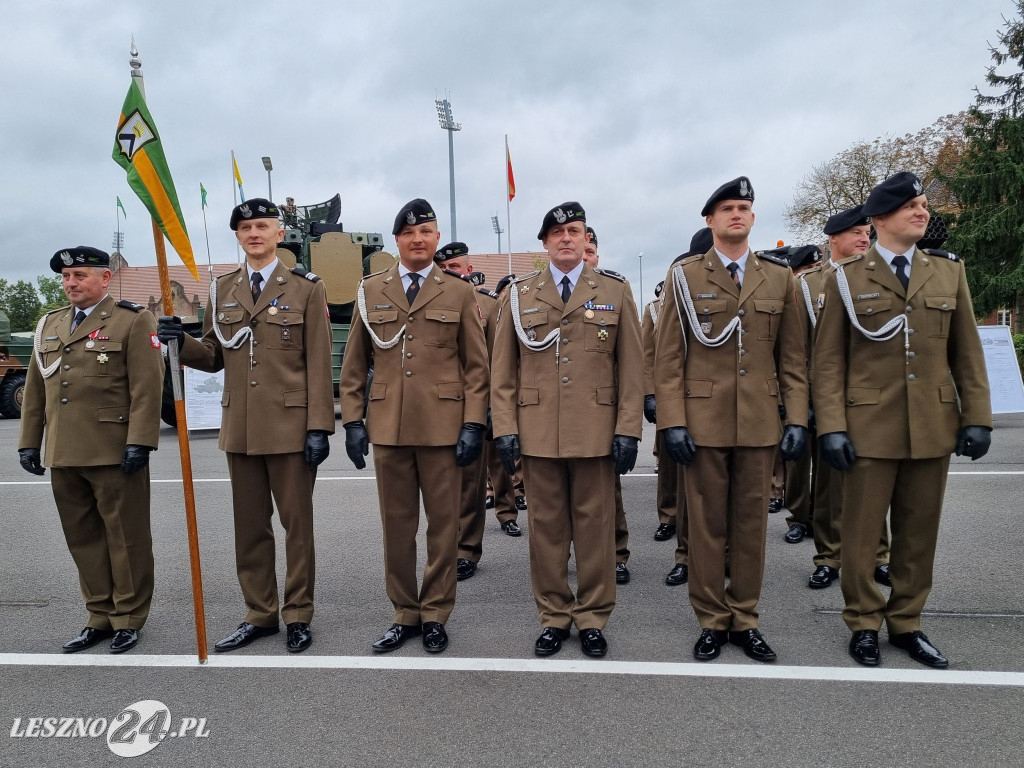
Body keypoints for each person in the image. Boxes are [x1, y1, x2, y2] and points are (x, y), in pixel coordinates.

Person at [813, 172, 992, 668]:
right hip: (868, 427)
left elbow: (967, 354)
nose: (922, 212)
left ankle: (908, 622)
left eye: (923, 204)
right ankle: (864, 622)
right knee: (862, 535)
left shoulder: (948, 272)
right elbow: (828, 362)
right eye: (911, 205)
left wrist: (978, 417)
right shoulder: (846, 278)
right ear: (880, 218)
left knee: (919, 533)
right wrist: (831, 426)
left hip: (933, 424)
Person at [158, 198, 334, 654]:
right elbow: (217, 355)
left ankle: (297, 614)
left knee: (297, 528)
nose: (253, 233)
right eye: (245, 227)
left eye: (262, 226)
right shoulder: (224, 289)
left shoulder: (305, 288)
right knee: (250, 528)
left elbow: (318, 363)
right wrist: (184, 342)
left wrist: (320, 427)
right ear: (237, 236)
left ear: (279, 233)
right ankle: (260, 614)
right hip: (241, 426)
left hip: (292, 426)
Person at [656, 177, 808, 663]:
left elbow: (793, 359)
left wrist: (797, 419)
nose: (736, 215)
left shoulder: (779, 277)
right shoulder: (684, 275)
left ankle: (744, 617)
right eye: (727, 209)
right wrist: (672, 421)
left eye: (744, 207)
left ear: (753, 217)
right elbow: (668, 357)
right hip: (702, 422)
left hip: (760, 422)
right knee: (705, 526)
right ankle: (711, 619)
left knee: (749, 527)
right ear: (710, 220)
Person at [491, 202, 643, 658]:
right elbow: (503, 370)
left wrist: (628, 429)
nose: (566, 239)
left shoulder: (614, 291)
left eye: (574, 231)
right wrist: (505, 426)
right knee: (546, 532)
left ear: (585, 239)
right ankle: (555, 616)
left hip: (595, 431)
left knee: (595, 531)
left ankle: (593, 617)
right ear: (544, 243)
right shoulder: (518, 294)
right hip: (537, 433)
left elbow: (632, 367)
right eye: (557, 233)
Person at [339, 199, 489, 654]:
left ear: (436, 238)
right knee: (397, 526)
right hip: (388, 428)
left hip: (444, 430)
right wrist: (352, 422)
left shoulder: (459, 293)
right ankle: (405, 611)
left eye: (426, 231)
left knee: (444, 527)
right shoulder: (370, 291)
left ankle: (437, 612)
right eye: (409, 233)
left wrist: (473, 425)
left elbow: (477, 369)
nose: (418, 239)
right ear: (398, 241)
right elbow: (353, 365)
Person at [19, 246, 164, 654]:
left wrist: (140, 441)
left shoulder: (133, 320)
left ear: (104, 278)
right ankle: (99, 614)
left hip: (113, 450)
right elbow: (35, 390)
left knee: (125, 537)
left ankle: (129, 618)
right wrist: (30, 442)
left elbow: (146, 388)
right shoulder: (49, 323)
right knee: (82, 538)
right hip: (63, 451)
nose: (71, 284)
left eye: (80, 275)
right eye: (66, 277)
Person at [804, 208, 891, 590]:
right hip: (828, 396)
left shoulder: (882, 276)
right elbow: (800, 346)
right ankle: (828, 556)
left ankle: (878, 556)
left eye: (866, 232)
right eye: (855, 233)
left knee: (876, 482)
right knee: (828, 484)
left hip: (873, 398)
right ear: (833, 239)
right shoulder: (808, 284)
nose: (863, 238)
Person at [431, 241, 508, 582]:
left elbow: (497, 361)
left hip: (470, 405)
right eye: (453, 268)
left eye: (465, 267)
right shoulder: (425, 299)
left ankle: (467, 551)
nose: (462, 274)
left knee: (470, 485)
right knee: (436, 485)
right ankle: (443, 547)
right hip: (432, 406)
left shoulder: (488, 305)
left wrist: (491, 408)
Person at [583, 227, 632, 585]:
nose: (584, 256)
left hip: (604, 408)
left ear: (597, 256)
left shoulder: (613, 291)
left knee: (608, 494)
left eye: (590, 251)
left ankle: (616, 554)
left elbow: (629, 360)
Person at [780, 244, 824, 544]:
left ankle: (825, 518)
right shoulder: (799, 288)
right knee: (798, 460)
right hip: (802, 388)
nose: (862, 238)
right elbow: (791, 349)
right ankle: (799, 515)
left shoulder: (841, 282)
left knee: (831, 464)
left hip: (835, 390)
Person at [484, 274, 528, 533]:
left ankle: (507, 512)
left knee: (503, 461)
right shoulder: (479, 303)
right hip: (470, 397)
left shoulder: (495, 307)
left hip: (504, 395)